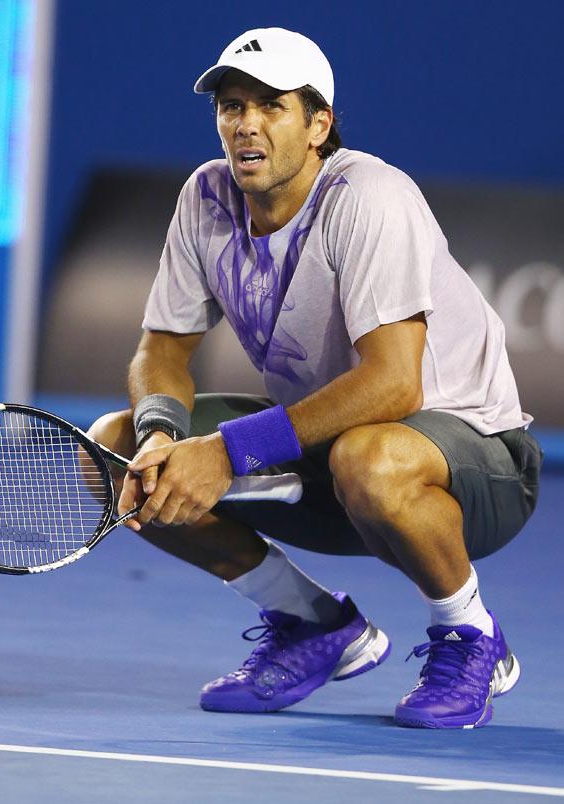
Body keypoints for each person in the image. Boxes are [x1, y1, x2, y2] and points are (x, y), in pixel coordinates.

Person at [89, 27, 542, 729]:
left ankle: (472, 635)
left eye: (271, 106)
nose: (245, 124)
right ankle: (314, 625)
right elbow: (163, 350)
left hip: (477, 463)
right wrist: (158, 436)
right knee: (113, 450)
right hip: (333, 455)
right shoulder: (206, 198)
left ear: (318, 124)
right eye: (232, 106)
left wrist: (226, 453)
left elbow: (396, 386)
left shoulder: (369, 196)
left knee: (373, 455)